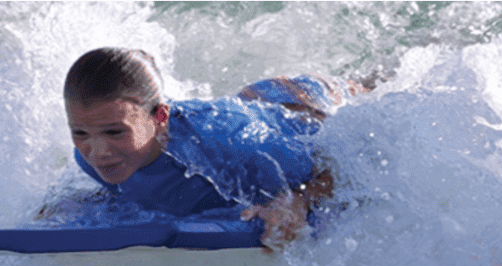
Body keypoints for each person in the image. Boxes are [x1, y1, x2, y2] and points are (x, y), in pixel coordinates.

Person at [60, 47, 366, 250]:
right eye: (80, 132)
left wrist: (297, 200)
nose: (98, 151)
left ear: (160, 118)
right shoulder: (91, 160)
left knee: (376, 86)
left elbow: (336, 166)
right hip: (242, 111)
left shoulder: (226, 145)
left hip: (303, 103)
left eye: (115, 132)